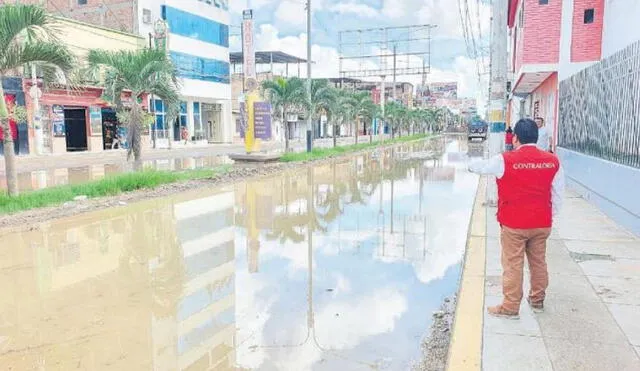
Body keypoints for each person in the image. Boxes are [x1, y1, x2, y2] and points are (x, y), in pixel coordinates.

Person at [469, 118, 565, 319]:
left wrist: (470, 163)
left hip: (514, 224)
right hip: (542, 223)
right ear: (537, 136)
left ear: (515, 137)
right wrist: (548, 215)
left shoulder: (504, 159)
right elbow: (557, 195)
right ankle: (537, 300)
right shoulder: (553, 161)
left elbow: (481, 167)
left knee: (513, 264)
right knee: (538, 262)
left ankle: (511, 307)